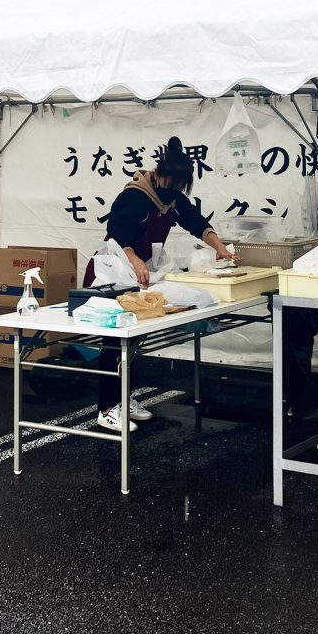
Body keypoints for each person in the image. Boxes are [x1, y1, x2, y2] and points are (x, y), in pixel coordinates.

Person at [84, 137, 236, 432]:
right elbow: (117, 233)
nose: (174, 192)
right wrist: (135, 260)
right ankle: (106, 407)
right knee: (116, 340)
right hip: (113, 271)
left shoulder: (173, 199)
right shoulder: (135, 197)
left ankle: (124, 397)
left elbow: (195, 221)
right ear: (159, 175)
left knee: (136, 339)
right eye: (171, 185)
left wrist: (220, 247)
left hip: (139, 275)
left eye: (180, 188)